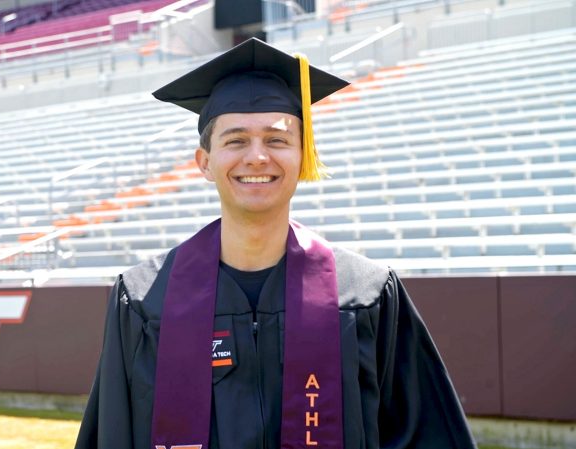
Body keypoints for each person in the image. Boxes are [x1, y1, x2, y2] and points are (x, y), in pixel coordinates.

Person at [75, 38, 477, 449]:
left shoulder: (366, 295)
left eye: (277, 139)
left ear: (302, 155)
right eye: (235, 141)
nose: (257, 157)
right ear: (205, 163)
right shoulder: (144, 302)